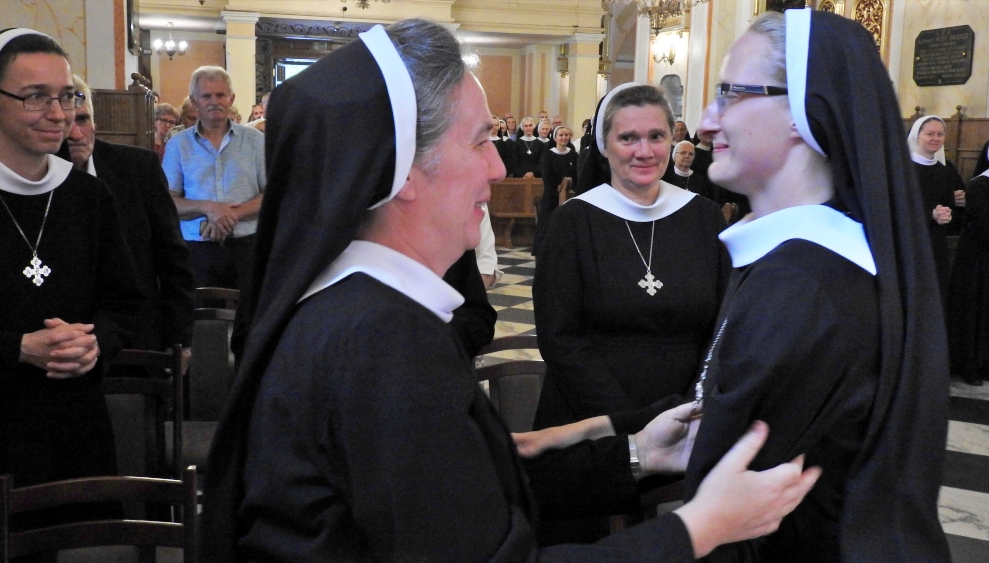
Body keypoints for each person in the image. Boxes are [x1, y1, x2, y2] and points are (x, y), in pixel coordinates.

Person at [200, 19, 819, 563]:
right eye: (479, 141)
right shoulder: (379, 339)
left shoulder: (370, 314)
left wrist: (635, 453)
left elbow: (463, 490)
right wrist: (700, 527)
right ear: (404, 169)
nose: (498, 167)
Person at [681, 10, 950, 562]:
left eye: (730, 93)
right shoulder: (805, 265)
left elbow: (733, 523)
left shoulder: (802, 287)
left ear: (804, 110)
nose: (706, 123)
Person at [0, 28, 141, 522]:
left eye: (67, 95)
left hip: (76, 423)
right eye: (36, 96)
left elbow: (124, 302)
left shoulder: (88, 196)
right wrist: (18, 348)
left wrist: (94, 343)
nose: (59, 113)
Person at [533, 83, 730, 430]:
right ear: (604, 145)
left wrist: (689, 408)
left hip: (689, 418)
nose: (645, 151)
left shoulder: (705, 217)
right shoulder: (572, 222)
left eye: (656, 136)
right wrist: (632, 423)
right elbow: (559, 337)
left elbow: (724, 326)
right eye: (628, 138)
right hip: (591, 419)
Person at [65, 76, 194, 369]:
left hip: (138, 336)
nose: (75, 133)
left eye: (82, 119)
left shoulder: (138, 168)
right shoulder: (30, 180)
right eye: (65, 123)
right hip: (63, 343)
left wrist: (180, 339)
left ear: (95, 121)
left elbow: (173, 258)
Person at [162, 66, 266, 292]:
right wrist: (208, 208)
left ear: (231, 99)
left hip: (248, 246)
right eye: (206, 96)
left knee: (249, 311)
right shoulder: (178, 145)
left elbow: (273, 193)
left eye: (220, 95)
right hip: (196, 249)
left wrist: (234, 214)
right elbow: (167, 201)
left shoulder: (256, 141)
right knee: (200, 312)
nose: (214, 102)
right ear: (194, 101)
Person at [948, 136, 989, 386]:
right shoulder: (980, 184)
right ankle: (968, 365)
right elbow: (983, 225)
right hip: (979, 260)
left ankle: (988, 363)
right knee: (975, 311)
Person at [908, 115, 961, 301]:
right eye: (930, 134)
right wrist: (930, 213)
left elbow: (950, 206)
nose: (936, 138)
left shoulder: (945, 171)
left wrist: (947, 215)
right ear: (917, 136)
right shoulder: (904, 169)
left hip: (935, 241)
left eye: (940, 134)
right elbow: (897, 205)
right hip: (909, 241)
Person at [533, 125, 576, 255]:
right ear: (555, 138)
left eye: (566, 135)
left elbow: (578, 175)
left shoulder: (574, 155)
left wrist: (570, 182)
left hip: (570, 197)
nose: (564, 137)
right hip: (551, 197)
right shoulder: (548, 155)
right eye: (561, 135)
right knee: (547, 226)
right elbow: (547, 177)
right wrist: (559, 189)